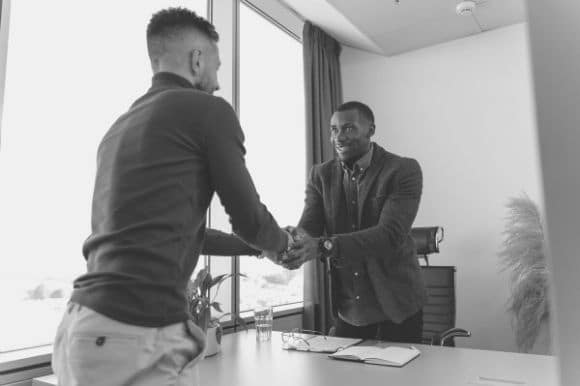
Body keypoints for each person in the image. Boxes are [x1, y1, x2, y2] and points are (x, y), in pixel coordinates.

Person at [51, 8, 292, 386]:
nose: (217, 82)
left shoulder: (119, 128)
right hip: (132, 333)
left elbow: (180, 233)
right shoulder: (207, 111)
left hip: (82, 327)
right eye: (216, 65)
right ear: (197, 59)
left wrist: (255, 249)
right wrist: (284, 244)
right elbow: (249, 219)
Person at [284, 101, 426, 343]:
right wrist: (289, 242)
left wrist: (323, 246)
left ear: (370, 130)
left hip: (397, 307)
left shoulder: (402, 170)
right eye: (333, 129)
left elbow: (388, 235)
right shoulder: (320, 175)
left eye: (348, 128)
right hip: (350, 309)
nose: (338, 137)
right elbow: (309, 227)